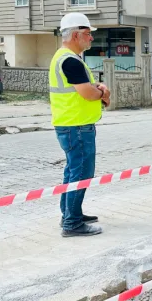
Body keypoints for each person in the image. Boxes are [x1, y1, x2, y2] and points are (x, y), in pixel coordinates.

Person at [49, 13, 110, 237]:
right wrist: (102, 92)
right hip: (77, 126)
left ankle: (69, 213)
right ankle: (72, 223)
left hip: (71, 124)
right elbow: (87, 93)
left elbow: (85, 87)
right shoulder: (70, 60)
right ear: (75, 35)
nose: (91, 38)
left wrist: (98, 89)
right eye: (88, 34)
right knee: (82, 173)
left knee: (72, 172)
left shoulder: (64, 57)